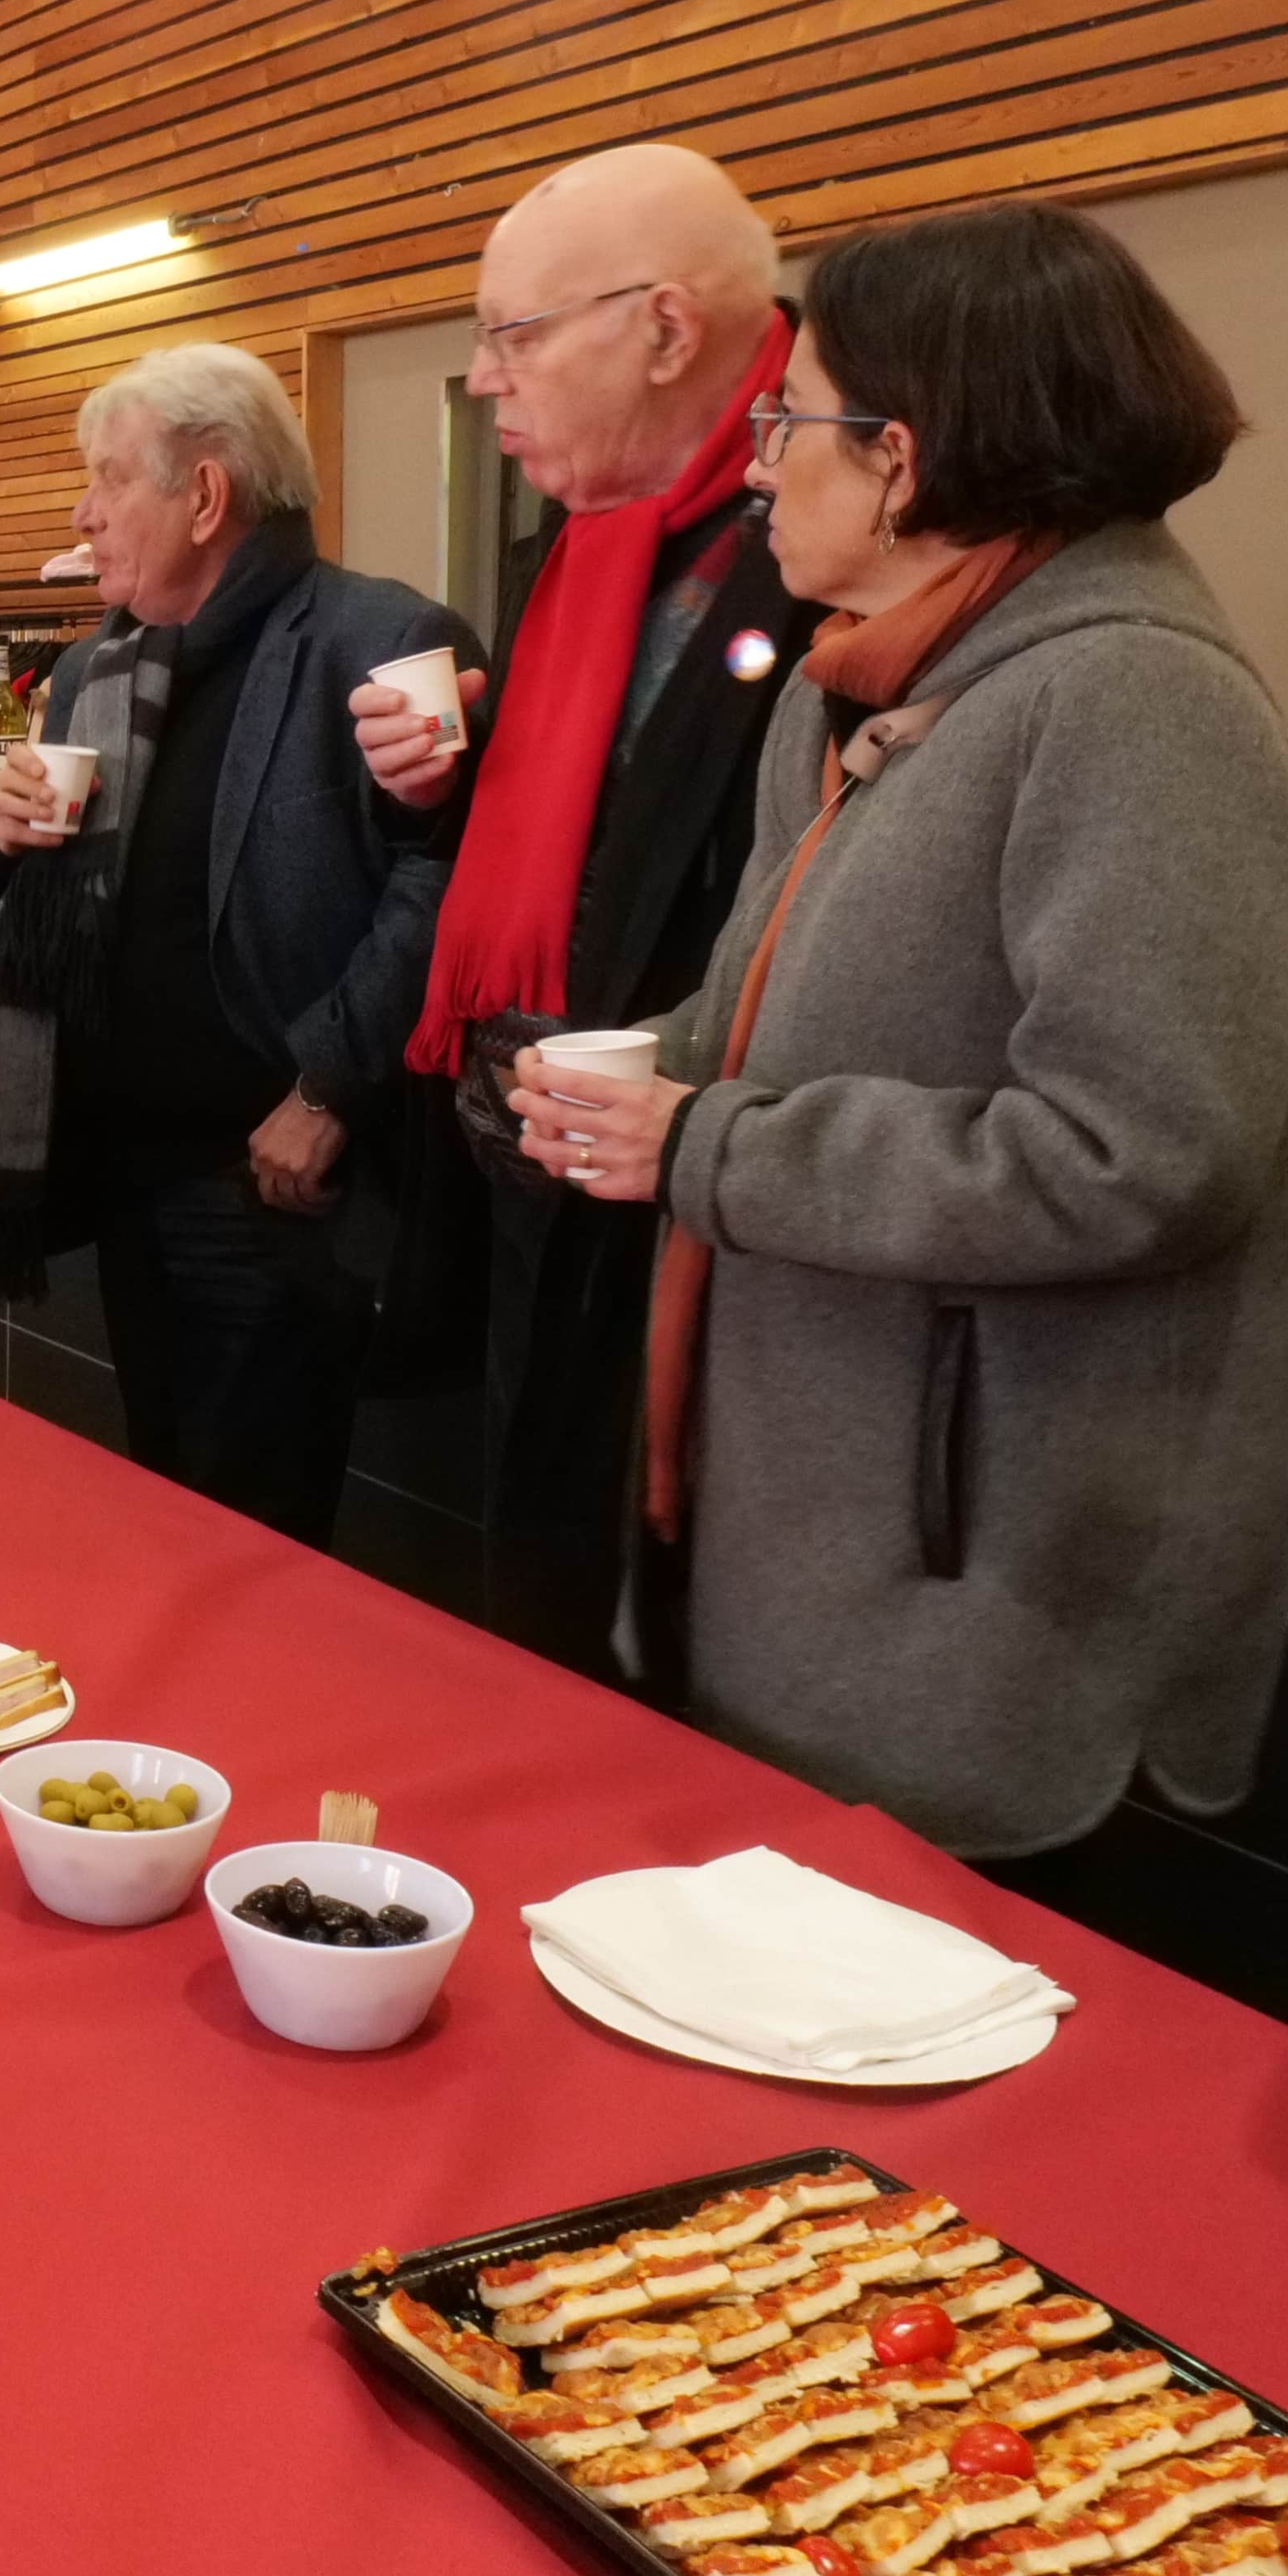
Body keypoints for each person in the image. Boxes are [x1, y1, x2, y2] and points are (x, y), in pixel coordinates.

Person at [503, 200, 1288, 1858]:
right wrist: (630, 1076)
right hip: (815, 1548)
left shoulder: (1135, 701)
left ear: (903, 455)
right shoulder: (876, 687)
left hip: (995, 1602)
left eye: (785, 422)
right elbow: (764, 1007)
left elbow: (1141, 1156)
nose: (757, 466)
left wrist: (710, 1146)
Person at [354, 141, 828, 1684]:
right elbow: (603, 814)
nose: (488, 381)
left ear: (668, 331)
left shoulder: (832, 546)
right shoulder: (590, 539)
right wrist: (453, 776)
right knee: (545, 1599)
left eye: (516, 335)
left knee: (675, 1656)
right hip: (542, 1154)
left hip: (721, 1196)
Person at [0, 345, 473, 1545]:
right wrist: (4, 831)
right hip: (127, 1165)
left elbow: (444, 882)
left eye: (106, 479)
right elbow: (15, 878)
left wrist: (330, 1085)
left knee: (259, 1538)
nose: (82, 513)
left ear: (206, 494)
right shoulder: (93, 667)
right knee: (170, 1497)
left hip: (278, 1180)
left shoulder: (384, 638)